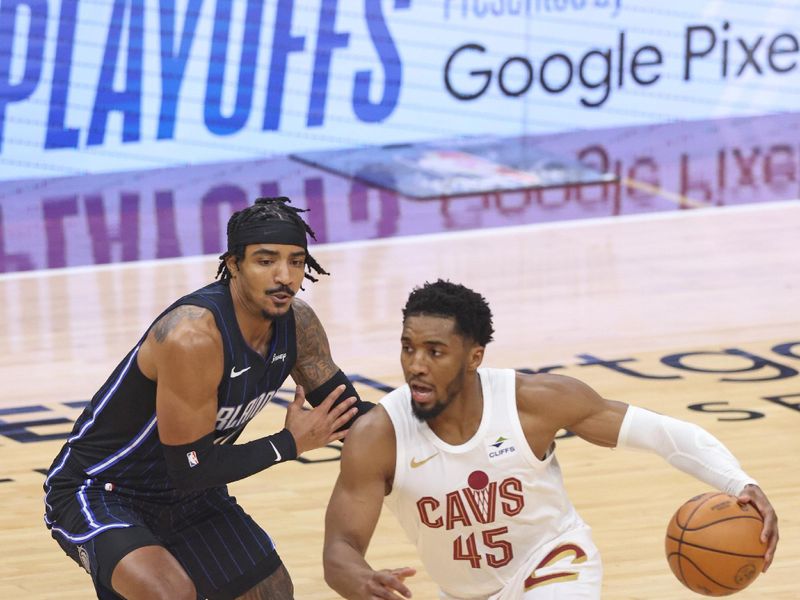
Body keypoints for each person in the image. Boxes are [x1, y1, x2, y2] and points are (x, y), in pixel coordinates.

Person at [323, 279, 779, 600]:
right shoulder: (379, 436)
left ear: (473, 357)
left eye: (435, 351)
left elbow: (660, 433)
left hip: (556, 564)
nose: (415, 364)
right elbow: (340, 548)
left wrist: (739, 483)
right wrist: (360, 581)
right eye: (408, 347)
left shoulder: (534, 402)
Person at [44, 197, 374, 600]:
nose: (284, 276)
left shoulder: (298, 325)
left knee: (271, 591)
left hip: (191, 494)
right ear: (234, 264)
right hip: (102, 490)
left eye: (296, 261)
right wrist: (287, 444)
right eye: (266, 261)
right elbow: (189, 466)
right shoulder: (192, 336)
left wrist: (431, 419)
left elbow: (353, 419)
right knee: (168, 593)